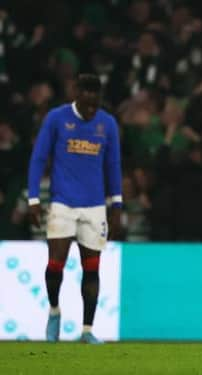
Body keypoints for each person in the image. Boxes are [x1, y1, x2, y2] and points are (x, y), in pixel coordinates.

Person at [27, 74, 123, 344]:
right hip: (63, 203)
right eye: (88, 100)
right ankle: (55, 310)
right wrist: (33, 199)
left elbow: (113, 166)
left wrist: (117, 205)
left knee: (92, 269)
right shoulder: (57, 119)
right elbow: (38, 158)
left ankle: (87, 330)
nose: (93, 107)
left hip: (94, 206)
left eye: (97, 101)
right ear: (76, 93)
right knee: (55, 264)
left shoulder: (108, 124)